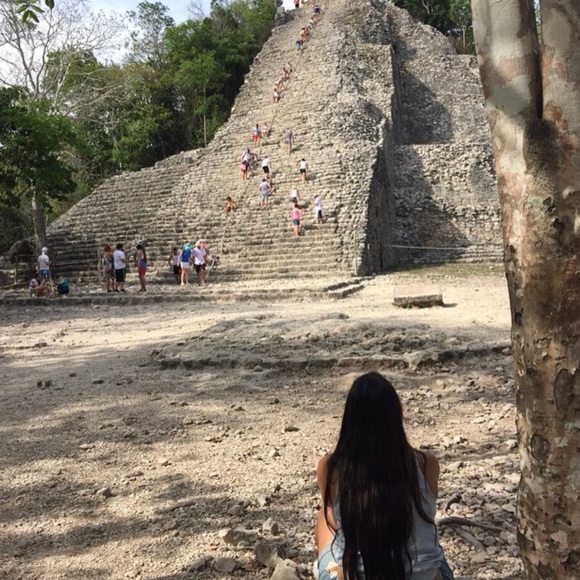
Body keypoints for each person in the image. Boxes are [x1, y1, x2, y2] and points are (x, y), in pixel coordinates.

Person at [314, 372, 454, 580]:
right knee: (431, 545)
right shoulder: (425, 463)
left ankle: (325, 569)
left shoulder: (331, 467)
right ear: (396, 416)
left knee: (324, 519)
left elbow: (335, 522)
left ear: (349, 421)